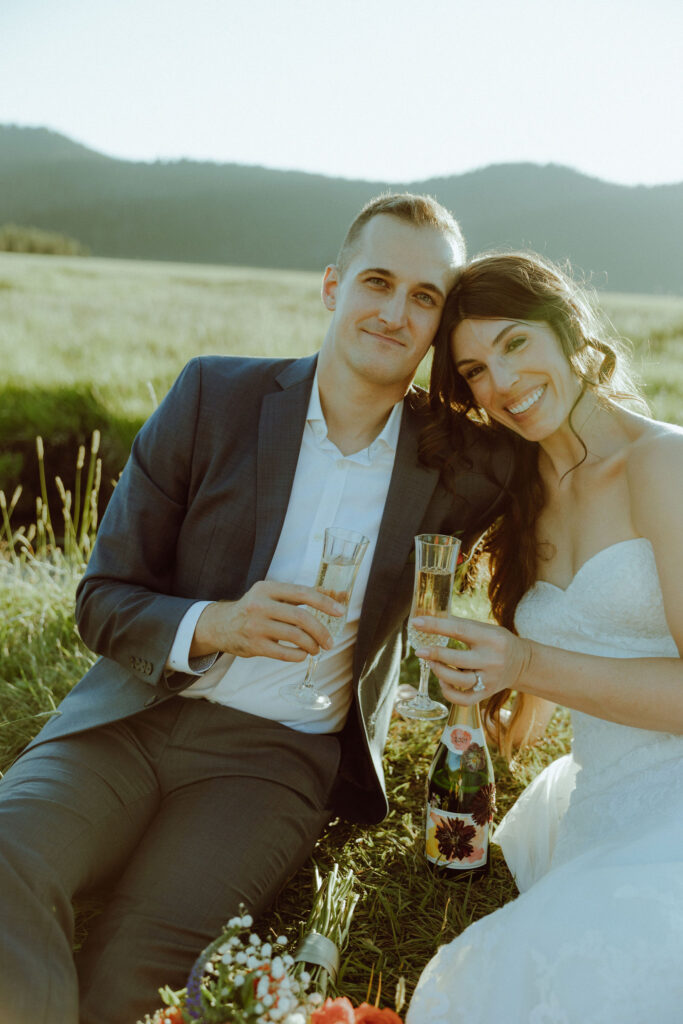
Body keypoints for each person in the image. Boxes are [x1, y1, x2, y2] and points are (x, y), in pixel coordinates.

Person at [0, 194, 512, 1024]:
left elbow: (574, 453)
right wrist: (220, 622)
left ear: (439, 324)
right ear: (331, 287)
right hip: (129, 723)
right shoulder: (213, 397)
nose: (393, 312)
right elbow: (101, 597)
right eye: (376, 282)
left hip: (270, 760)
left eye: (424, 297)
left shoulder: (463, 460)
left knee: (147, 965)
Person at [406, 251, 683, 1023]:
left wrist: (525, 658)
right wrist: (490, 705)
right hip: (599, 797)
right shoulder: (522, 493)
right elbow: (556, 665)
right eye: (473, 371)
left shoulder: (662, 463)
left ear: (568, 330)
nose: (500, 383)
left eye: (514, 344)